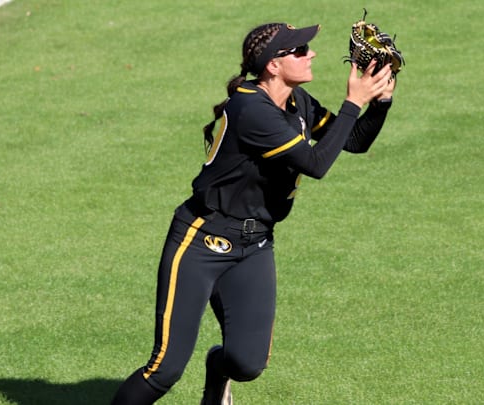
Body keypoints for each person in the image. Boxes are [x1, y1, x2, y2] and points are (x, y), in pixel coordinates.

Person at [111, 21, 396, 405]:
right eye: (300, 50)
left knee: (247, 363)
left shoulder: (297, 102)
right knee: (165, 369)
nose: (311, 54)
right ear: (272, 65)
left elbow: (353, 140)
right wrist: (353, 102)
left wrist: (380, 102)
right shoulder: (251, 109)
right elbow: (315, 164)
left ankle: (217, 375)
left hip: (255, 244)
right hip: (200, 241)